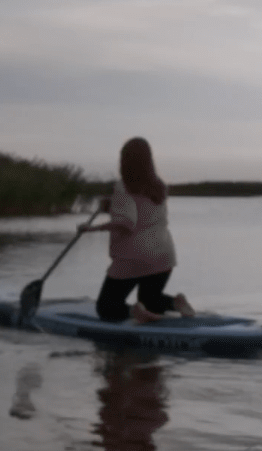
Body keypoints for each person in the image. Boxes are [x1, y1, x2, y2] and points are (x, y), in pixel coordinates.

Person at [81, 136, 195, 324]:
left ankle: (134, 314)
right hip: (164, 254)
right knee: (150, 300)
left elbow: (126, 223)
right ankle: (174, 303)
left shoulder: (123, 186)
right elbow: (144, 213)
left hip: (135, 255)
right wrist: (112, 206)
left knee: (106, 308)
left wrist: (91, 229)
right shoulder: (159, 186)